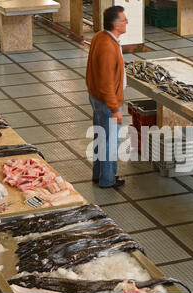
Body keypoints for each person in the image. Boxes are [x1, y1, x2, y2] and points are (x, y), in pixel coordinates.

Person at [86, 6, 128, 188]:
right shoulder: (108, 47)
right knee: (110, 141)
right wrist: (114, 108)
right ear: (116, 24)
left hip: (96, 97)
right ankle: (108, 180)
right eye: (124, 20)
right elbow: (106, 82)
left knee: (100, 137)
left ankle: (99, 174)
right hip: (105, 102)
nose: (127, 23)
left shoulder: (100, 37)